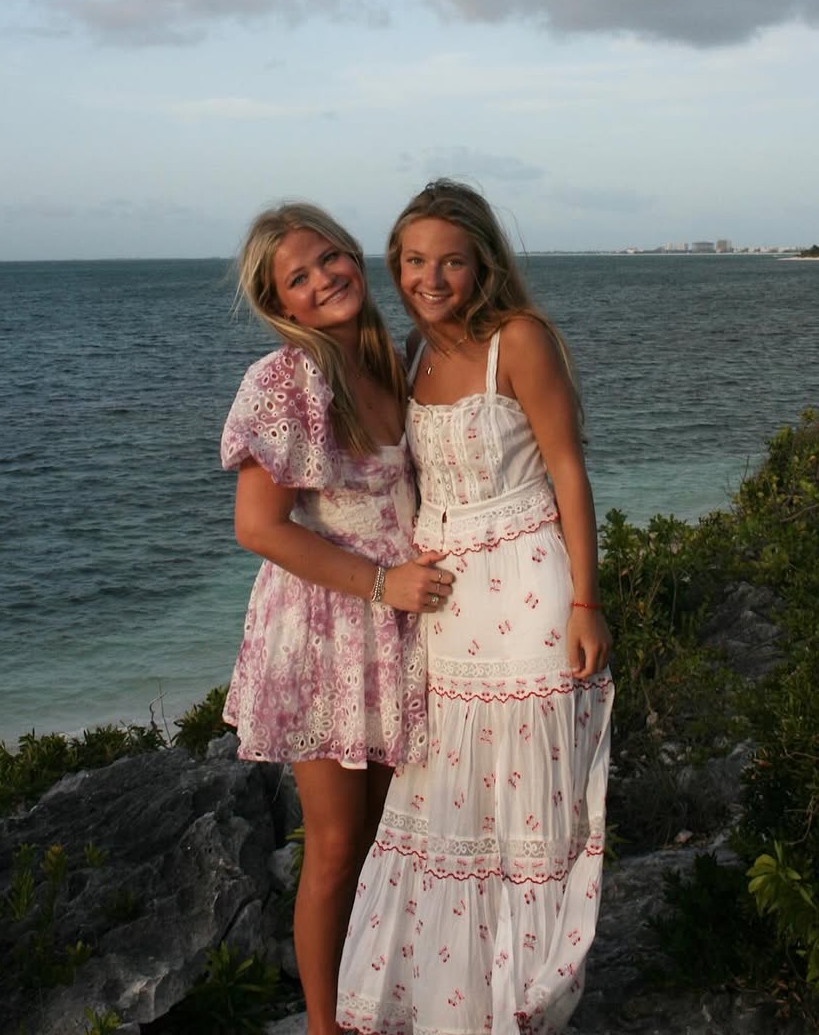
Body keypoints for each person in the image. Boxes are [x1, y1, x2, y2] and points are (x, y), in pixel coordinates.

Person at [338, 180, 613, 1035]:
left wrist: (587, 602)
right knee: (451, 801)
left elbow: (569, 471)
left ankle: (519, 1003)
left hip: (527, 590)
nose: (431, 278)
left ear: (482, 263)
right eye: (414, 261)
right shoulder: (412, 352)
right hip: (446, 610)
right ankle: (454, 1005)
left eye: (450, 262)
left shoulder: (519, 340)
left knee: (525, 803)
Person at [219, 203, 453, 1035]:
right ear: (278, 302)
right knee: (335, 847)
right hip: (325, 635)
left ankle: (377, 1003)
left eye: (329, 258)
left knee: (389, 839)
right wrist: (384, 583)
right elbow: (258, 527)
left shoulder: (391, 360)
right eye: (299, 277)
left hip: (395, 631)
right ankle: (325, 1026)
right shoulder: (287, 381)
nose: (322, 280)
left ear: (354, 255)